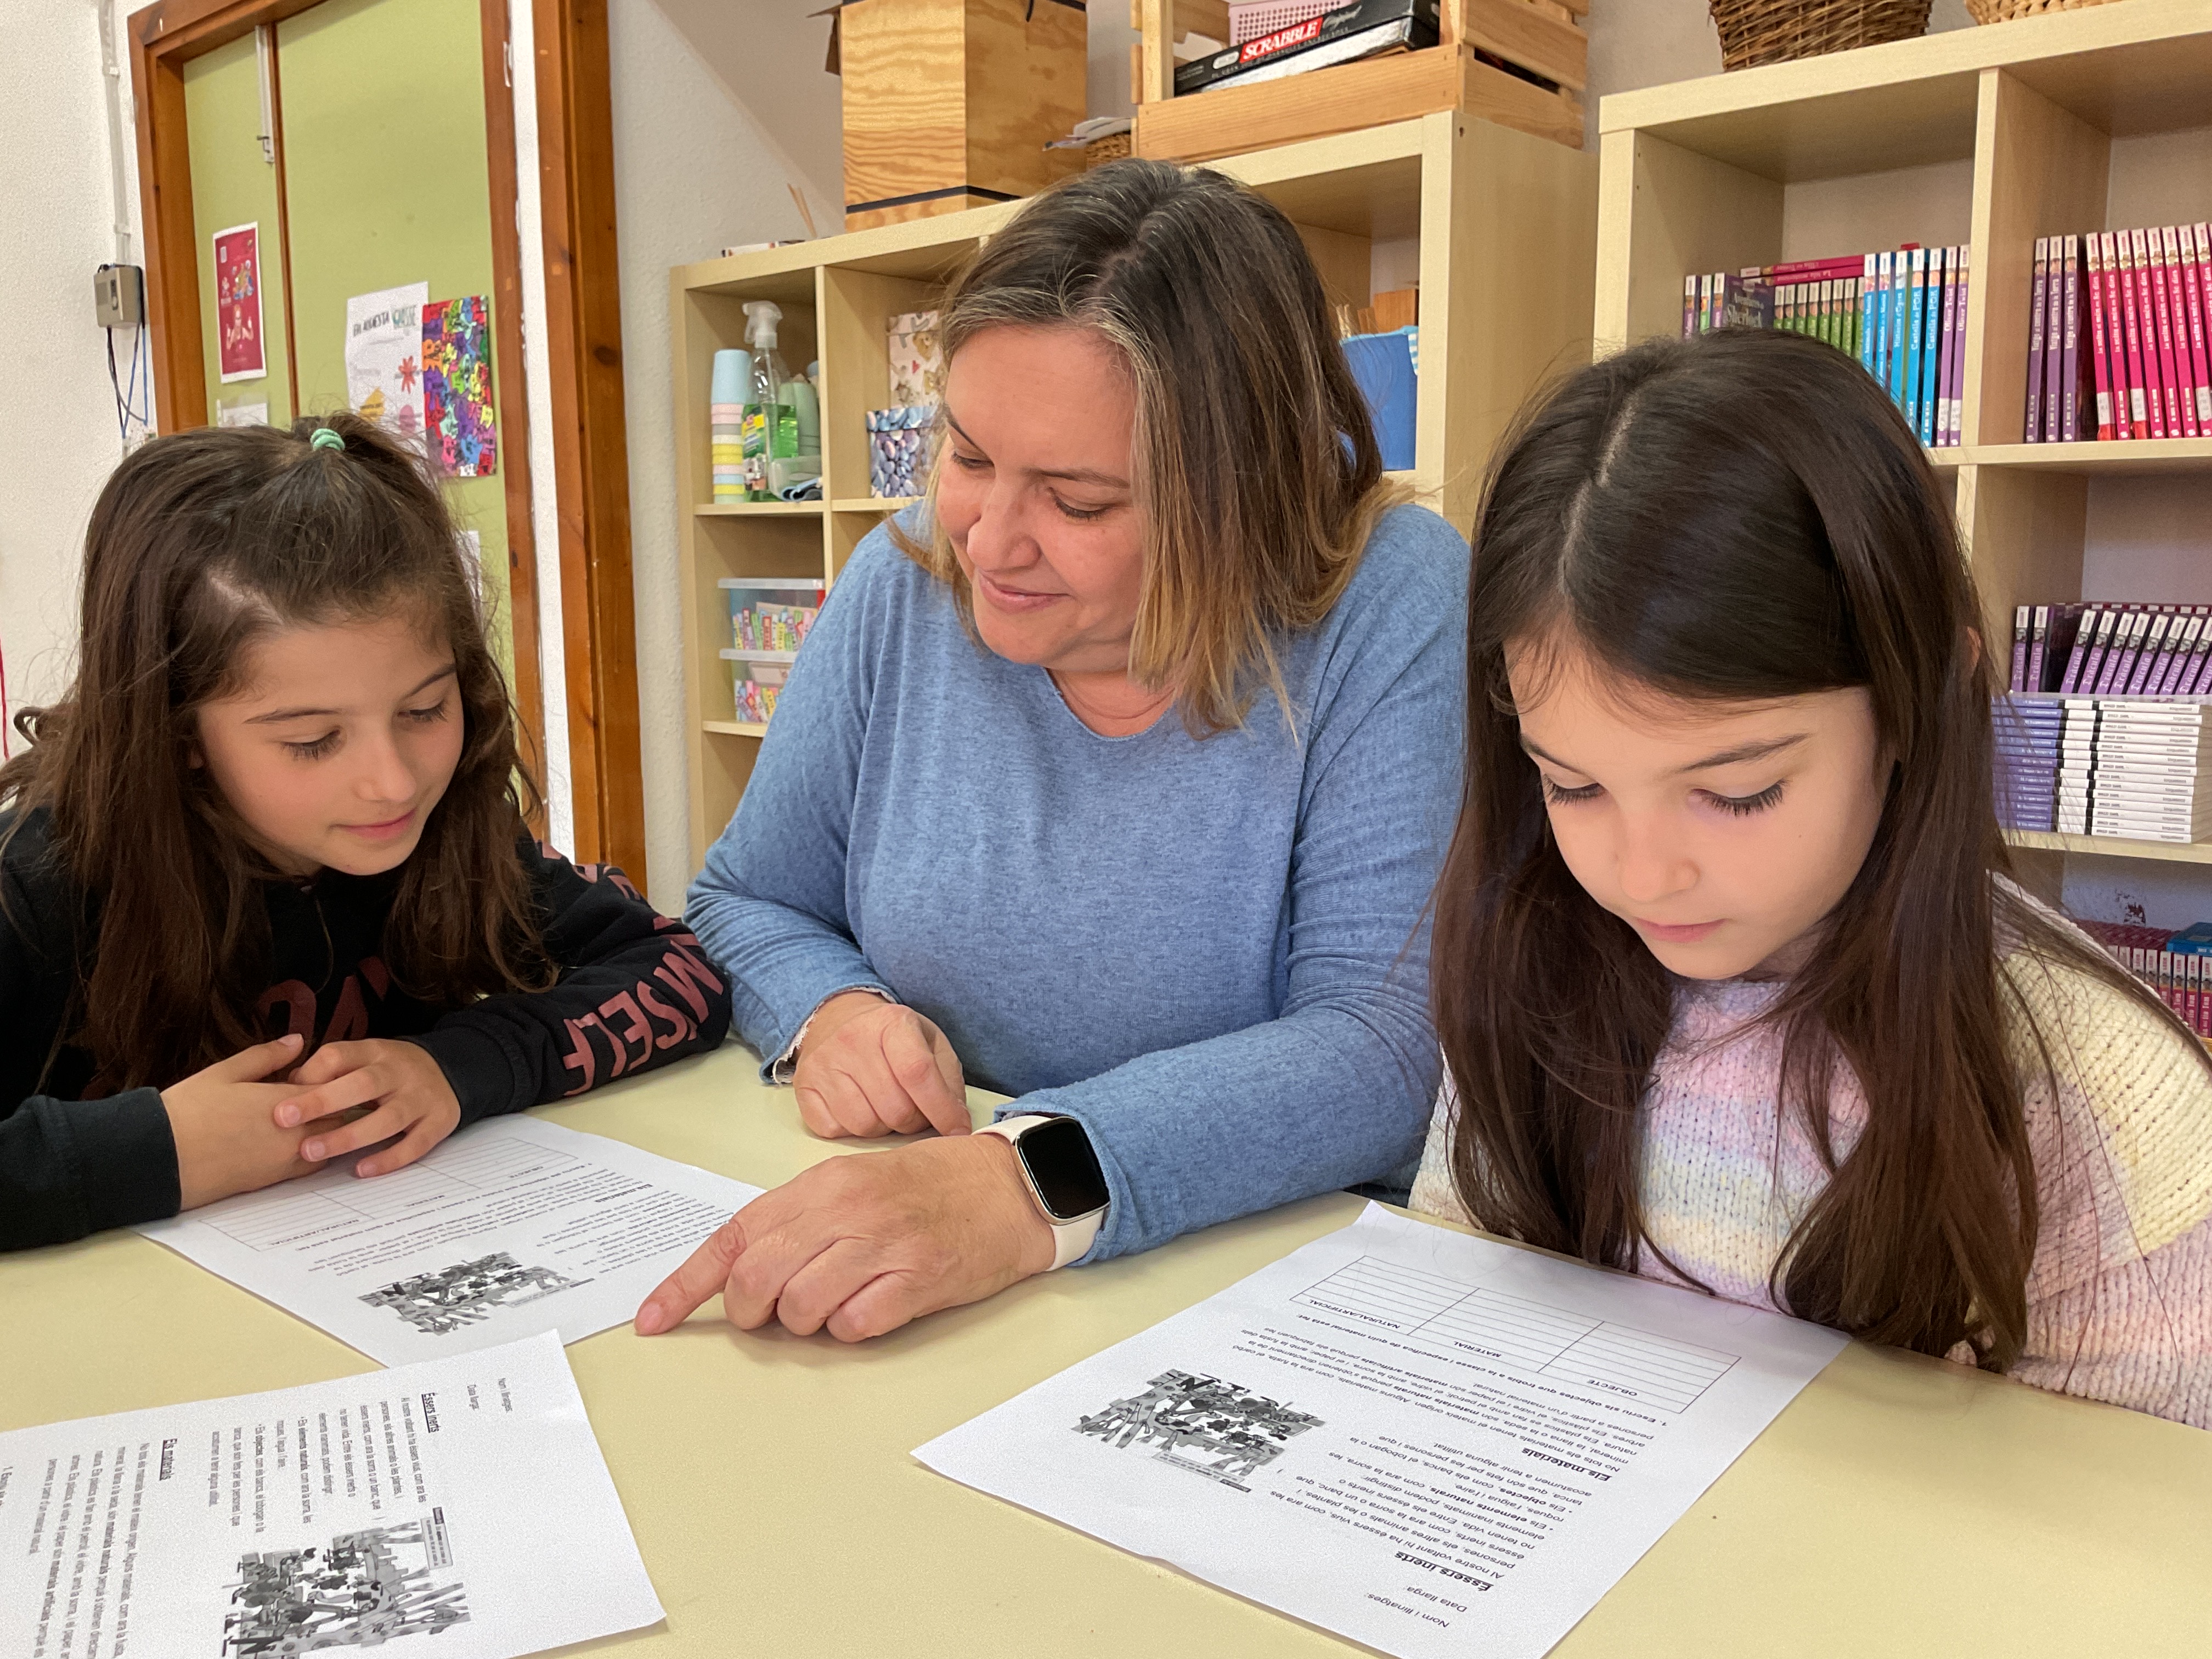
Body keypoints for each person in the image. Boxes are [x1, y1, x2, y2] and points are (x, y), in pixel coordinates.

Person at [642, 159, 1468, 1344]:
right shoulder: (902, 579)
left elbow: (1384, 1056)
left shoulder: (1391, 597)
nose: (988, 540)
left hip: (1252, 1288)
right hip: (947, 1263)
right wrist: (829, 1012)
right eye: (971, 456)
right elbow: (746, 898)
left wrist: (1021, 1181)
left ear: (1238, 496)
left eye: (1078, 502)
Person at [1412, 328, 2210, 1427]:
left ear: (1914, 707)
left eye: (1738, 792)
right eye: (1572, 786)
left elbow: (2128, 1540)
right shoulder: (1533, 970)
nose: (1642, 873)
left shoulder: (2102, 1099)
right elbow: (1452, 1325)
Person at [0, 414, 729, 1251]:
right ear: (177, 736)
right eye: (312, 740)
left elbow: (680, 970)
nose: (395, 780)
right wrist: (152, 1152)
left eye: (424, 709)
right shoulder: (42, 883)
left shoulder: (446, 830)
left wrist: (463, 1066)